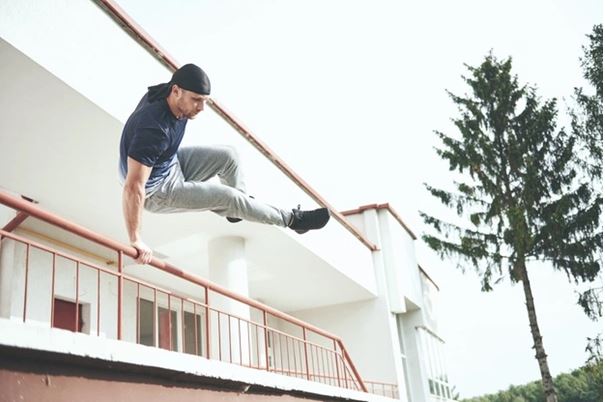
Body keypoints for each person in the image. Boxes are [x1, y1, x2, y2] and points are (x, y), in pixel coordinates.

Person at [119, 63, 330, 264]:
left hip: (169, 164)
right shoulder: (154, 129)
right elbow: (133, 187)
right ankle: (292, 220)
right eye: (196, 100)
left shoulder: (168, 94)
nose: (201, 108)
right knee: (230, 198)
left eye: (205, 101)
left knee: (229, 156)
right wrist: (135, 238)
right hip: (156, 191)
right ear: (176, 91)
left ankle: (238, 208)